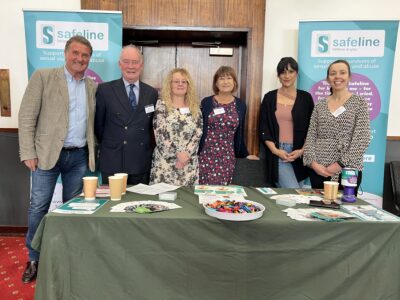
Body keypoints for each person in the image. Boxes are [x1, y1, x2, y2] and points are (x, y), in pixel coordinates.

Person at [18, 36, 97, 283]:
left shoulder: (92, 86)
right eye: (75, 53)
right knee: (38, 208)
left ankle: (66, 254)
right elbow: (27, 116)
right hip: (46, 156)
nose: (80, 59)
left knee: (72, 210)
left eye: (85, 55)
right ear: (65, 53)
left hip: (79, 156)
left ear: (89, 59)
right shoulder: (43, 76)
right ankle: (34, 258)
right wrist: (28, 152)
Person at [303, 59, 371, 192]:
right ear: (328, 79)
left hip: (348, 169)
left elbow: (363, 138)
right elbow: (311, 136)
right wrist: (313, 163)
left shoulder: (359, 103)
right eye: (333, 73)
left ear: (349, 77)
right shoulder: (319, 106)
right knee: (317, 209)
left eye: (342, 72)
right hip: (319, 170)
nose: (337, 76)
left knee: (345, 209)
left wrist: (340, 164)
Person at [95, 45, 158, 185]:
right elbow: (99, 126)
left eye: (135, 62)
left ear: (141, 65)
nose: (131, 66)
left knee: (138, 204)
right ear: (119, 64)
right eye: (126, 61)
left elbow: (151, 127)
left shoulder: (151, 93)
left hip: (140, 160)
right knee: (112, 204)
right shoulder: (105, 90)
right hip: (113, 160)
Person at [198, 66, 258, 185]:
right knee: (205, 190)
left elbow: (239, 134)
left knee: (222, 191)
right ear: (216, 83)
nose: (225, 82)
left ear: (234, 82)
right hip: (206, 154)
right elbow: (199, 128)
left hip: (227, 156)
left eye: (229, 78)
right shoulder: (206, 102)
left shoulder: (240, 105)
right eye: (221, 78)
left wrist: (246, 155)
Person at [259, 57, 314, 188]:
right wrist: (276, 151)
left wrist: (302, 150)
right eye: (283, 72)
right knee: (293, 192)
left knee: (295, 199)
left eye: (291, 71)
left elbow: (312, 128)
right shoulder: (269, 97)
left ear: (296, 73)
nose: (287, 76)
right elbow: (263, 127)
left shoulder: (306, 98)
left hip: (300, 155)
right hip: (278, 153)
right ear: (278, 75)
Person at [150, 68, 202, 185]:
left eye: (184, 82)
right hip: (165, 163)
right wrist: (178, 154)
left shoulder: (195, 107)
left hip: (188, 164)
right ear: (170, 84)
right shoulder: (161, 106)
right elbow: (160, 134)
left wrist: (186, 155)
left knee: (187, 200)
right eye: (176, 81)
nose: (180, 84)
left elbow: (198, 133)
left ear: (188, 85)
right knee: (162, 201)